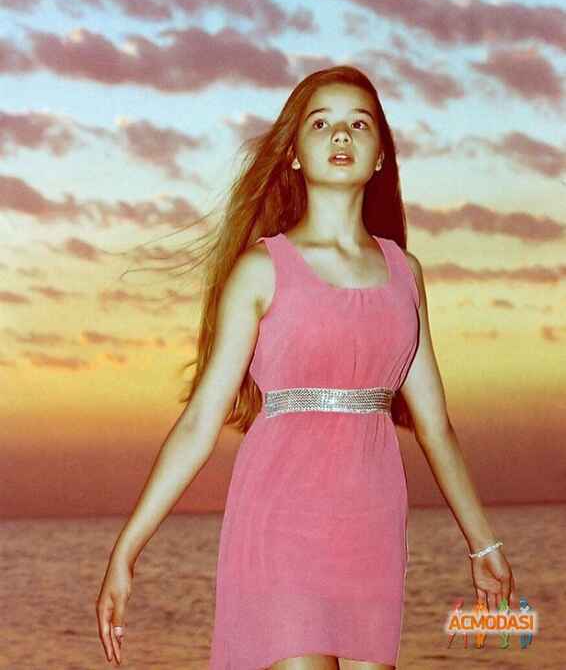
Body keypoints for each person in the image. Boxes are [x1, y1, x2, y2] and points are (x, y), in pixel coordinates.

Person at [96, 65, 518, 669]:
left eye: (359, 124)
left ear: (380, 156)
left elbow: (435, 426)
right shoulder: (260, 270)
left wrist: (482, 543)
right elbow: (198, 423)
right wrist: (126, 551)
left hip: (372, 523)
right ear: (294, 153)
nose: (341, 135)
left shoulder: (405, 274)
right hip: (281, 520)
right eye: (321, 124)